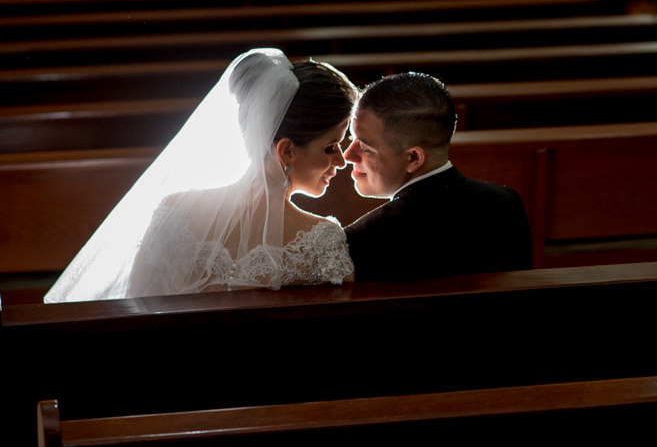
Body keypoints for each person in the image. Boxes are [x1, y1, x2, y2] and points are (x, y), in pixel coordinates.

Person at [44, 49, 358, 303]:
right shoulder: (323, 241)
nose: (342, 161)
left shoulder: (174, 213)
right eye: (331, 146)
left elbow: (135, 311)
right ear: (286, 150)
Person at [342, 72, 532, 280]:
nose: (348, 155)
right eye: (352, 139)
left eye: (365, 148)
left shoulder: (367, 237)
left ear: (414, 158)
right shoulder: (507, 203)